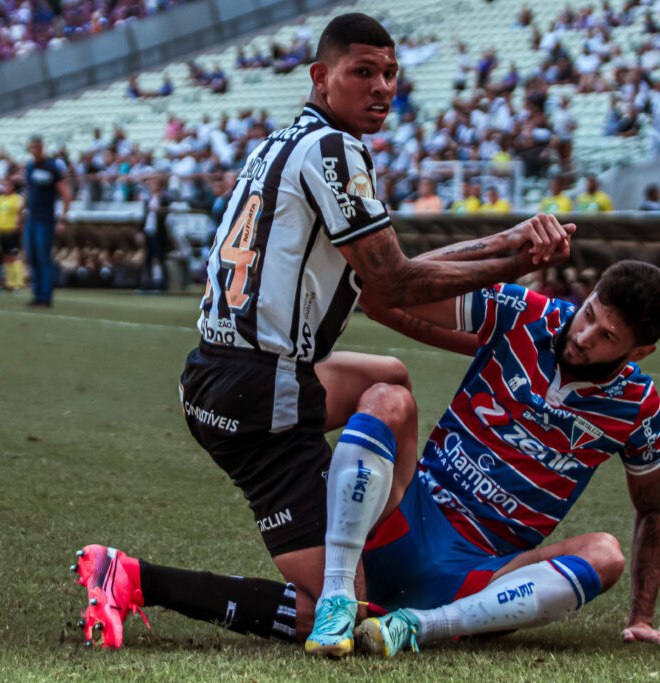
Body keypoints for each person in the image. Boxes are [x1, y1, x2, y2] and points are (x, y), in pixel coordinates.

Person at [71, 13, 573, 654]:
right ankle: (133, 578)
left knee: (389, 379)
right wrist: (520, 262)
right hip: (262, 393)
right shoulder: (335, 151)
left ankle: (385, 524)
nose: (382, 87)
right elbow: (393, 283)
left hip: (226, 373)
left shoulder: (287, 143)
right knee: (335, 610)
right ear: (320, 75)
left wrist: (509, 239)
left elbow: (397, 268)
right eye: (363, 72)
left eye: (390, 73)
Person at [348, 260, 660, 656]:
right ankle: (342, 586)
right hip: (408, 515)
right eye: (589, 314)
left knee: (605, 555)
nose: (585, 335)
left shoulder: (639, 408)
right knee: (386, 393)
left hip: (482, 572)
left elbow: (654, 509)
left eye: (608, 336)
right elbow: (385, 290)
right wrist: (505, 253)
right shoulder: (524, 313)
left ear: (641, 351)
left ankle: (424, 626)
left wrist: (641, 618)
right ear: (589, 294)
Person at [23, 136, 72, 307]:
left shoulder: (51, 167)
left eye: (36, 147)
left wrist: (63, 218)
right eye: (31, 147)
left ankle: (46, 296)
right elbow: (28, 191)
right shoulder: (30, 167)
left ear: (41, 147)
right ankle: (37, 294)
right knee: (32, 257)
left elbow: (66, 193)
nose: (33, 150)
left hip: (45, 220)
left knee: (44, 258)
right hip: (31, 219)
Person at [138, 175, 171, 292]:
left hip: (159, 233)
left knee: (160, 258)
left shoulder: (164, 199)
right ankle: (147, 284)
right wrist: (140, 232)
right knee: (148, 259)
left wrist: (160, 210)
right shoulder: (147, 199)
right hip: (149, 231)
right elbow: (143, 217)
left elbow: (167, 214)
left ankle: (162, 284)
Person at [0, 177, 26, 290]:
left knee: (14, 255)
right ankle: (9, 282)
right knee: (5, 256)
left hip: (12, 230)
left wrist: (19, 223)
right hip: (2, 230)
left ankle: (18, 282)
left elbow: (20, 212)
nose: (5, 188)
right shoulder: (0, 199)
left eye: (7, 185)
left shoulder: (17, 198)